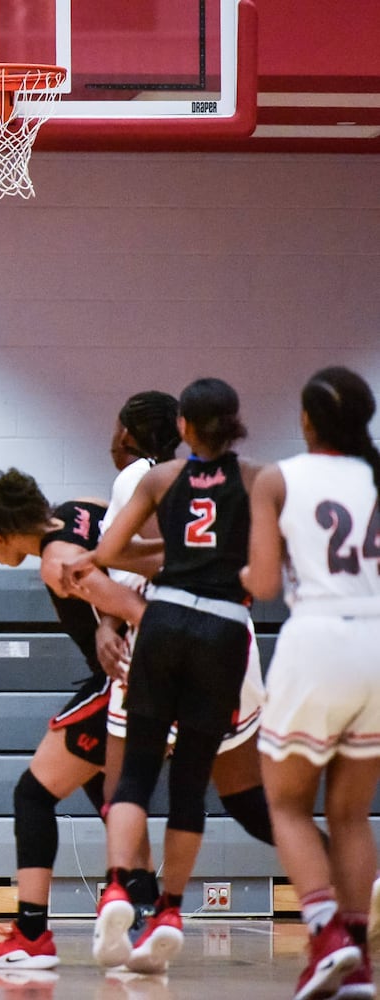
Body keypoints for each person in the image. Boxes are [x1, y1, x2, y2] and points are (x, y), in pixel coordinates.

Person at [64, 377, 261, 979]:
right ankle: (171, 910)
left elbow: (109, 555)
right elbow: (268, 573)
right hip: (226, 630)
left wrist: (162, 560)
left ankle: (122, 889)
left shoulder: (157, 479)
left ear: (185, 428)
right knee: (192, 783)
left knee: (130, 781)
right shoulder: (260, 480)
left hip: (164, 623)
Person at [0, 468, 151, 971]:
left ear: (2, 534)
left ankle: (31, 934)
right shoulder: (84, 508)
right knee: (110, 795)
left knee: (33, 792)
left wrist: (112, 631)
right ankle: (144, 902)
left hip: (125, 680)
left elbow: (134, 606)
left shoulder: (56, 561)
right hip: (136, 678)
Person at [243, 366, 380, 1000]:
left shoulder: (279, 478)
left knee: (289, 803)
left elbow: (266, 585)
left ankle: (325, 933)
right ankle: (360, 956)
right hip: (377, 642)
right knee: (351, 811)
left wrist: (237, 569)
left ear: (306, 420)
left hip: (318, 639)